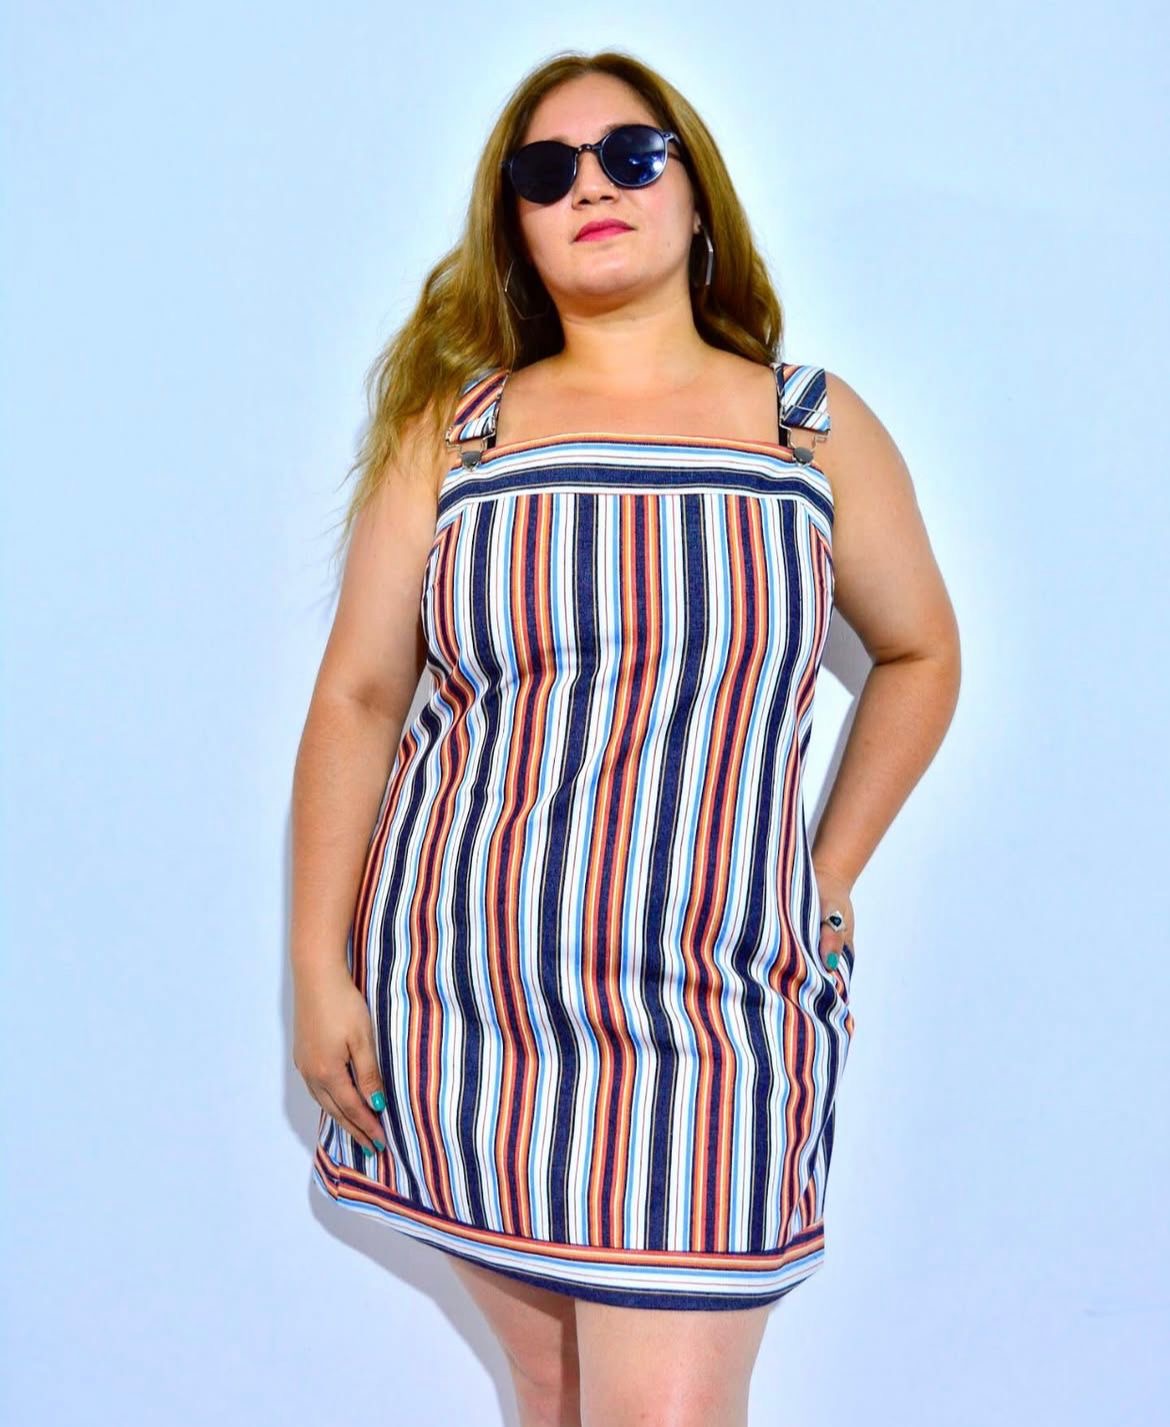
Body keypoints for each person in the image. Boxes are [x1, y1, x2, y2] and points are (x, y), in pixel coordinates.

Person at [291, 48, 960, 1427]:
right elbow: (357, 695)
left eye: (631, 155)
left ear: (695, 192)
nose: (591, 187)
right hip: (465, 997)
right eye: (547, 173)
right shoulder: (456, 438)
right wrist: (316, 966)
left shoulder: (807, 427)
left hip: (719, 1000)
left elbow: (921, 654)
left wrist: (828, 871)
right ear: (516, 228)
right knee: (551, 1390)